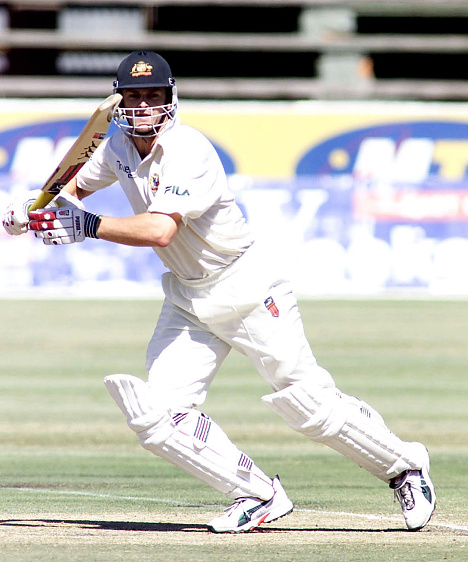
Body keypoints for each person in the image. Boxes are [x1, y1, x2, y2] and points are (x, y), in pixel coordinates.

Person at [2, 51, 436, 533]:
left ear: (170, 98)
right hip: (188, 298)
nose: (143, 105)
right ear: (119, 102)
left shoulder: (188, 150)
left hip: (246, 286)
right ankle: (257, 494)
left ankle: (405, 467)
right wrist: (30, 209)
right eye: (134, 96)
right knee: (156, 416)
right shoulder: (116, 147)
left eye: (153, 95)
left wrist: (86, 225)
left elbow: (159, 231)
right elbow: (73, 191)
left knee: (308, 404)